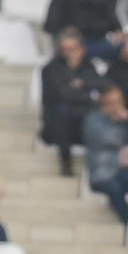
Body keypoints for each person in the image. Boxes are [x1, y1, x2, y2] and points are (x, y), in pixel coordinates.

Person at [83, 85, 128, 224]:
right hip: (105, 172)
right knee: (114, 187)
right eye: (109, 103)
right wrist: (117, 121)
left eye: (117, 102)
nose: (114, 107)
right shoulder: (93, 119)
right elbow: (107, 138)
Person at [41, 28, 107, 176]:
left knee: (99, 115)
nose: (69, 53)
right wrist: (86, 94)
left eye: (73, 49)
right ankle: (65, 160)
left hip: (84, 117)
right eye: (65, 49)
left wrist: (82, 83)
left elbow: (103, 85)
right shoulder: (51, 69)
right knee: (63, 111)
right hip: (59, 122)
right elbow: (62, 94)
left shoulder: (88, 67)